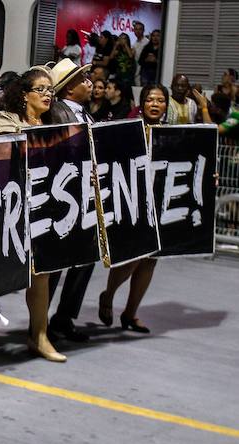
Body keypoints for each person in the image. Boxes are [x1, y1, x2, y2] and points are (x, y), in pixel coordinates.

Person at [0, 67, 66, 362]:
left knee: (42, 273)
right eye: (41, 89)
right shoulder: (5, 119)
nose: (47, 95)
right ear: (24, 95)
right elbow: (6, 151)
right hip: (10, 206)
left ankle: (40, 335)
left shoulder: (56, 121)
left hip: (45, 204)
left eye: (51, 90)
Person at [98, 84, 170, 334]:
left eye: (160, 100)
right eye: (150, 99)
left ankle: (130, 313)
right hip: (131, 201)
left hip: (159, 205)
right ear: (142, 103)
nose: (155, 104)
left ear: (166, 106)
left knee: (150, 261)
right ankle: (107, 296)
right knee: (130, 259)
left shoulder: (173, 135)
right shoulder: (127, 130)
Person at [42, 58, 95, 344]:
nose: (89, 81)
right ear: (69, 88)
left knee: (85, 259)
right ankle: (41, 324)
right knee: (56, 263)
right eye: (82, 78)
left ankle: (64, 318)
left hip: (85, 197)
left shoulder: (86, 113)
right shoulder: (57, 113)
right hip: (64, 197)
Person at [132, 21, 149, 86]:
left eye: (140, 29)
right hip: (136, 71)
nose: (138, 31)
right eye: (136, 29)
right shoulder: (134, 44)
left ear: (143, 30)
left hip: (144, 72)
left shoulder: (147, 42)